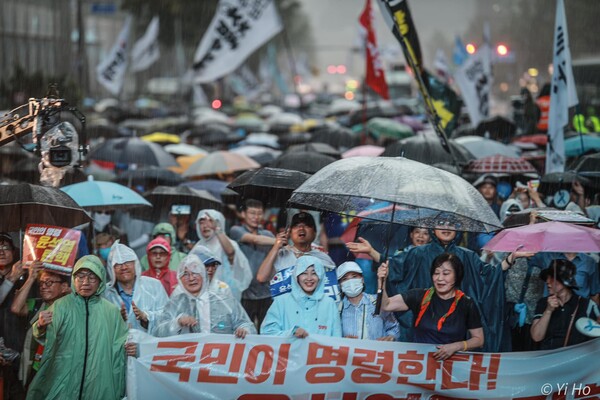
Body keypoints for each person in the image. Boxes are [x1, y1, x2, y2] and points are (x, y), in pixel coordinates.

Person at [349, 218, 531, 352]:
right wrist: (372, 252)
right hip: (422, 325)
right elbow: (395, 268)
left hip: (455, 328)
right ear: (433, 228)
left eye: (452, 223)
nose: (446, 227)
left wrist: (511, 258)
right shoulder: (418, 253)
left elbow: (490, 276)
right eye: (441, 223)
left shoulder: (467, 256)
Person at [27, 255, 129, 400]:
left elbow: (121, 346)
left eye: (92, 277)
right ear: (73, 279)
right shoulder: (61, 306)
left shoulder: (111, 311)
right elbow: (43, 337)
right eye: (80, 277)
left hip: (98, 382)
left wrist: (131, 346)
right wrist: (41, 325)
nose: (85, 282)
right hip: (64, 379)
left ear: (100, 280)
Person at [377, 253, 484, 361]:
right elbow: (387, 305)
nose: (440, 278)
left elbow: (479, 340)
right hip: (420, 365)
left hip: (453, 368)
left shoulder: (466, 303)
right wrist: (381, 282)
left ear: (457, 276)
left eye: (446, 273)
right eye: (436, 273)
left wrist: (456, 346)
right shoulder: (419, 296)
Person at [155, 254, 256, 338]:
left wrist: (244, 331)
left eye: (195, 273)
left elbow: (247, 325)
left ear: (203, 274)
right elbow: (158, 332)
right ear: (179, 279)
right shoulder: (175, 303)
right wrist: (177, 322)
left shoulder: (225, 300)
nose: (191, 278)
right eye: (185, 274)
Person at [10, 262, 70, 387]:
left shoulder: (71, 308)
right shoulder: (37, 305)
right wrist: (31, 277)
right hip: (37, 367)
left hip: (61, 369)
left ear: (64, 287)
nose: (43, 287)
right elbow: (16, 308)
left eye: (49, 282)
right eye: (41, 283)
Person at [261, 256, 342, 338]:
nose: (309, 278)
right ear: (296, 276)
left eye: (314, 273)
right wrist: (291, 333)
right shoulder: (281, 301)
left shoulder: (329, 303)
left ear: (320, 276)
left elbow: (337, 339)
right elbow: (267, 333)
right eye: (304, 273)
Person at [530, 259, 599, 350]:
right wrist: (548, 310)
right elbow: (536, 337)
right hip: (549, 360)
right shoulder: (543, 303)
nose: (547, 281)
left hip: (575, 360)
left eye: (552, 277)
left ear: (564, 281)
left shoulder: (587, 305)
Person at [229, 199, 276, 330]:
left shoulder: (268, 234)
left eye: (259, 213)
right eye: (252, 213)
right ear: (243, 214)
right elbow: (254, 239)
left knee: (266, 331)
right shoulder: (236, 230)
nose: (256, 217)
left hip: (265, 292)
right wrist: (278, 241)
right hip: (244, 292)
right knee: (244, 331)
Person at [104, 242, 169, 334]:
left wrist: (145, 317)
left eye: (127, 262)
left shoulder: (154, 285)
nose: (124, 267)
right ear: (111, 268)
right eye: (118, 264)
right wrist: (116, 319)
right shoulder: (105, 293)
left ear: (135, 264)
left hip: (150, 346)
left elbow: (168, 316)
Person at [256, 212, 335, 284]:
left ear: (315, 233)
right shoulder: (281, 254)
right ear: (290, 233)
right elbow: (261, 278)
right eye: (296, 225)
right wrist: (276, 247)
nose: (301, 228)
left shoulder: (323, 257)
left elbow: (332, 283)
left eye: (306, 225)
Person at [192, 209, 251, 301]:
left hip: (224, 296)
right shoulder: (197, 247)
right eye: (202, 222)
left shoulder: (229, 244)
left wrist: (217, 230)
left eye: (210, 221)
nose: (205, 225)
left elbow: (231, 253)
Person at [337, 261, 399, 341]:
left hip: (376, 352)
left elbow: (393, 327)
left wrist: (391, 337)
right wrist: (342, 340)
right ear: (340, 285)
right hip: (348, 353)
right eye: (345, 279)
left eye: (354, 276)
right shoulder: (337, 309)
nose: (350, 282)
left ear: (362, 279)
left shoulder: (378, 302)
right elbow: (332, 335)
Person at [0, 232, 28, 399]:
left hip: (20, 352)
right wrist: (10, 278)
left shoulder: (25, 279)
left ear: (14, 251)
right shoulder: (13, 277)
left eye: (5, 247)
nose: (1, 252)